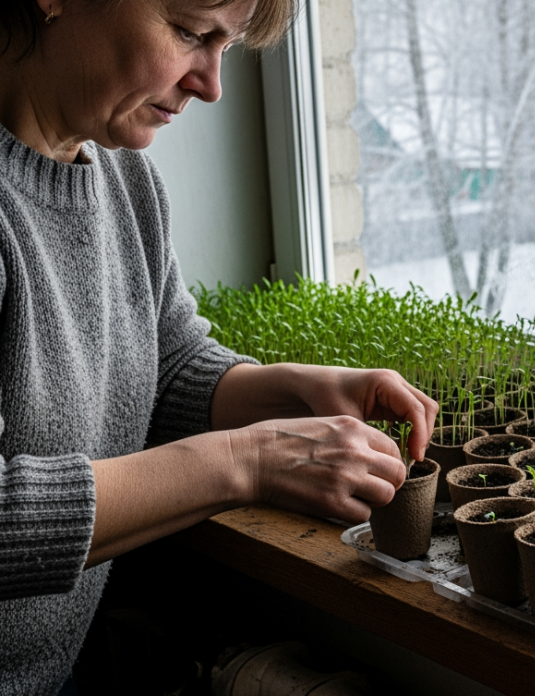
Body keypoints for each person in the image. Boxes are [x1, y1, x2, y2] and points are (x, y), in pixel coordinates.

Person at [0, 1, 440, 693]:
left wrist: (293, 388)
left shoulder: (123, 177)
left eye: (226, 46)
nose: (211, 84)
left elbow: (166, 365)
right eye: (188, 32)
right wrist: (248, 459)